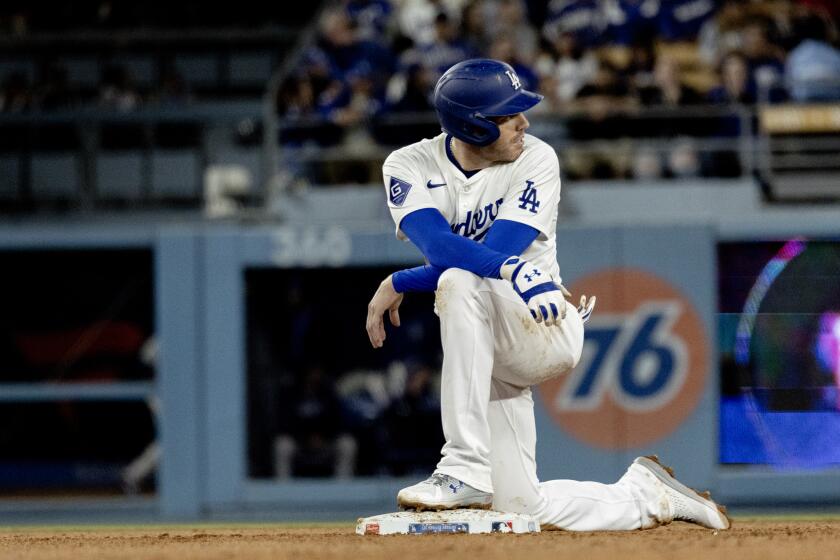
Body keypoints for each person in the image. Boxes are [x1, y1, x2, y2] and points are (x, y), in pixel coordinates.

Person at [365, 58, 730, 532]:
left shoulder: (536, 157)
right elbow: (438, 246)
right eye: (508, 115)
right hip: (484, 342)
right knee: (522, 508)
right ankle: (648, 495)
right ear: (473, 128)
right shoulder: (408, 163)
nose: (525, 123)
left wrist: (401, 282)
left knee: (459, 281)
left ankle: (462, 467)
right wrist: (427, 277)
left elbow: (495, 255)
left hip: (542, 324)